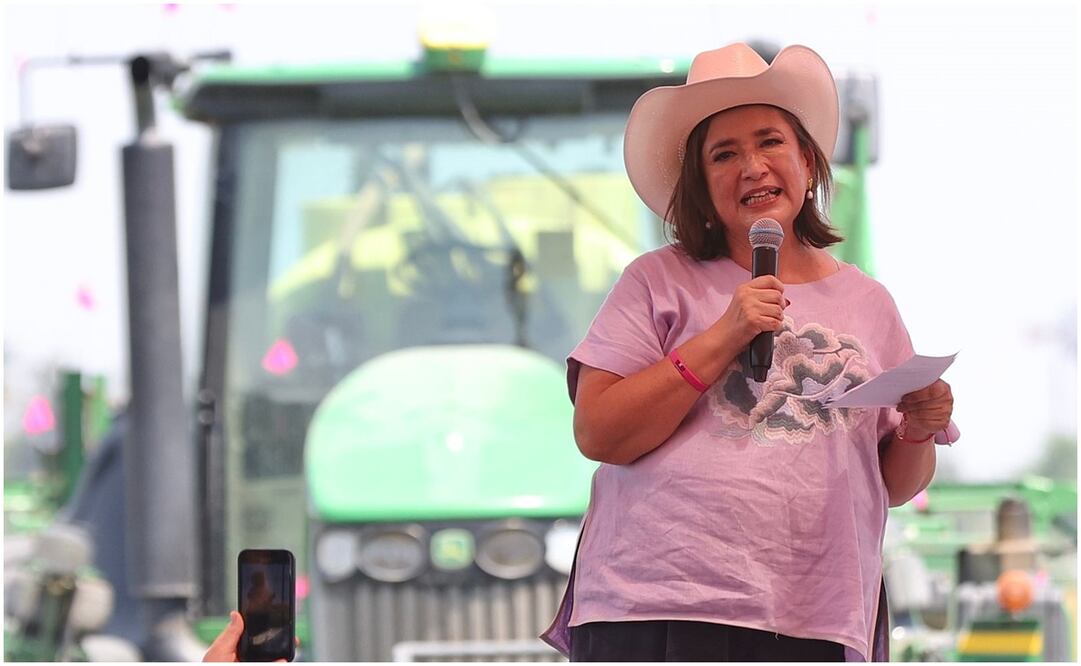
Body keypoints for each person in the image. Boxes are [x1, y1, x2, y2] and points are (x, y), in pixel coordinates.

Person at [540, 42, 955, 662]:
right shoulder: (655, 282)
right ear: (701, 186)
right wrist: (723, 335)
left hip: (817, 616)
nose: (753, 167)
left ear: (808, 162)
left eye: (770, 142)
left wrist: (920, 429)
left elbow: (894, 483)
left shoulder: (869, 303)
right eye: (724, 154)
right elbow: (599, 431)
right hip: (659, 609)